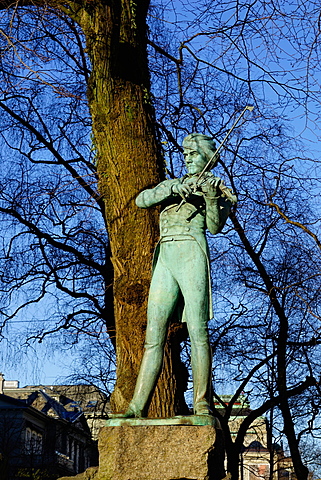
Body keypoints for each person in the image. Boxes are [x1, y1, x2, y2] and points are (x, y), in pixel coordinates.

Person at [124, 133, 236, 417]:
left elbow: (214, 227)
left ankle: (201, 402)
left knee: (198, 331)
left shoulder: (215, 188)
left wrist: (211, 200)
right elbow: (142, 200)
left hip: (191, 252)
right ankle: (136, 406)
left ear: (207, 157)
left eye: (194, 154)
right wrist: (173, 187)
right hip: (165, 256)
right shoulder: (172, 185)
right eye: (185, 154)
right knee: (154, 335)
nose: (187, 158)